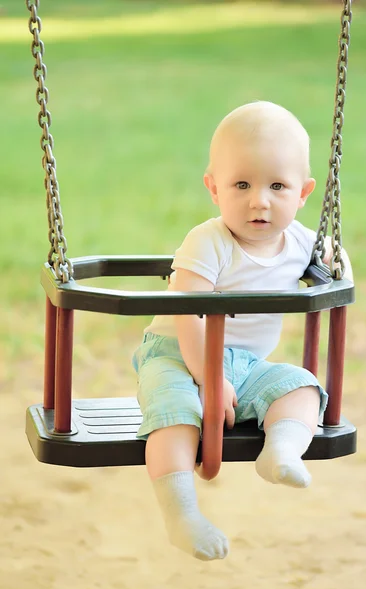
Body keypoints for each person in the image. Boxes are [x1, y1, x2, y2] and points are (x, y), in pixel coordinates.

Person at [132, 101, 353, 562]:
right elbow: (187, 311)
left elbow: (335, 264)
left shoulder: (303, 243)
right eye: (242, 184)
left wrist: (336, 260)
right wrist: (209, 380)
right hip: (178, 353)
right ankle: (182, 514)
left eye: (277, 186)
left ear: (304, 192)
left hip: (246, 365)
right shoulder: (207, 241)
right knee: (174, 418)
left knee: (303, 388)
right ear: (214, 189)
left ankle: (282, 452)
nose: (260, 200)